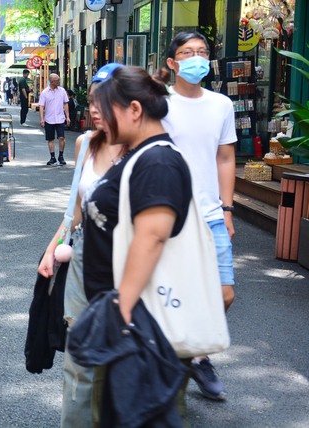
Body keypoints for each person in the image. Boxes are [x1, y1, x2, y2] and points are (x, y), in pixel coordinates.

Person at [83, 65, 193, 423]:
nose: (98, 116)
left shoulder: (158, 160)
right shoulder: (139, 154)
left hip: (142, 323)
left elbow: (152, 236)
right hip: (130, 320)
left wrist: (121, 308)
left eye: (105, 108)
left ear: (134, 109)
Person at [38, 64, 125, 428]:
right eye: (91, 100)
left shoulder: (147, 150)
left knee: (119, 360)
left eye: (102, 101)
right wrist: (51, 248)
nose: (92, 109)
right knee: (79, 357)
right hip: (85, 258)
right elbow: (74, 208)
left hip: (129, 260)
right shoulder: (85, 143)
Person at [161, 31, 237, 401]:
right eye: (188, 52)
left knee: (223, 294)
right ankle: (196, 356)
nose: (197, 58)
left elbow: (225, 157)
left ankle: (190, 352)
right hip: (168, 213)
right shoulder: (159, 102)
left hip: (210, 213)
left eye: (203, 52)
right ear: (172, 63)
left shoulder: (221, 104)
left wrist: (227, 208)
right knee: (172, 289)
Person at [38, 73, 70, 166]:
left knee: (61, 137)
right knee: (50, 139)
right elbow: (41, 106)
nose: (59, 81)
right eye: (57, 80)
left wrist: (67, 116)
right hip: (49, 119)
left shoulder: (62, 91)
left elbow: (65, 103)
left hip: (60, 118)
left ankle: (61, 156)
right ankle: (52, 157)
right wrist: (42, 119)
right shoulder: (44, 92)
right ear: (52, 81)